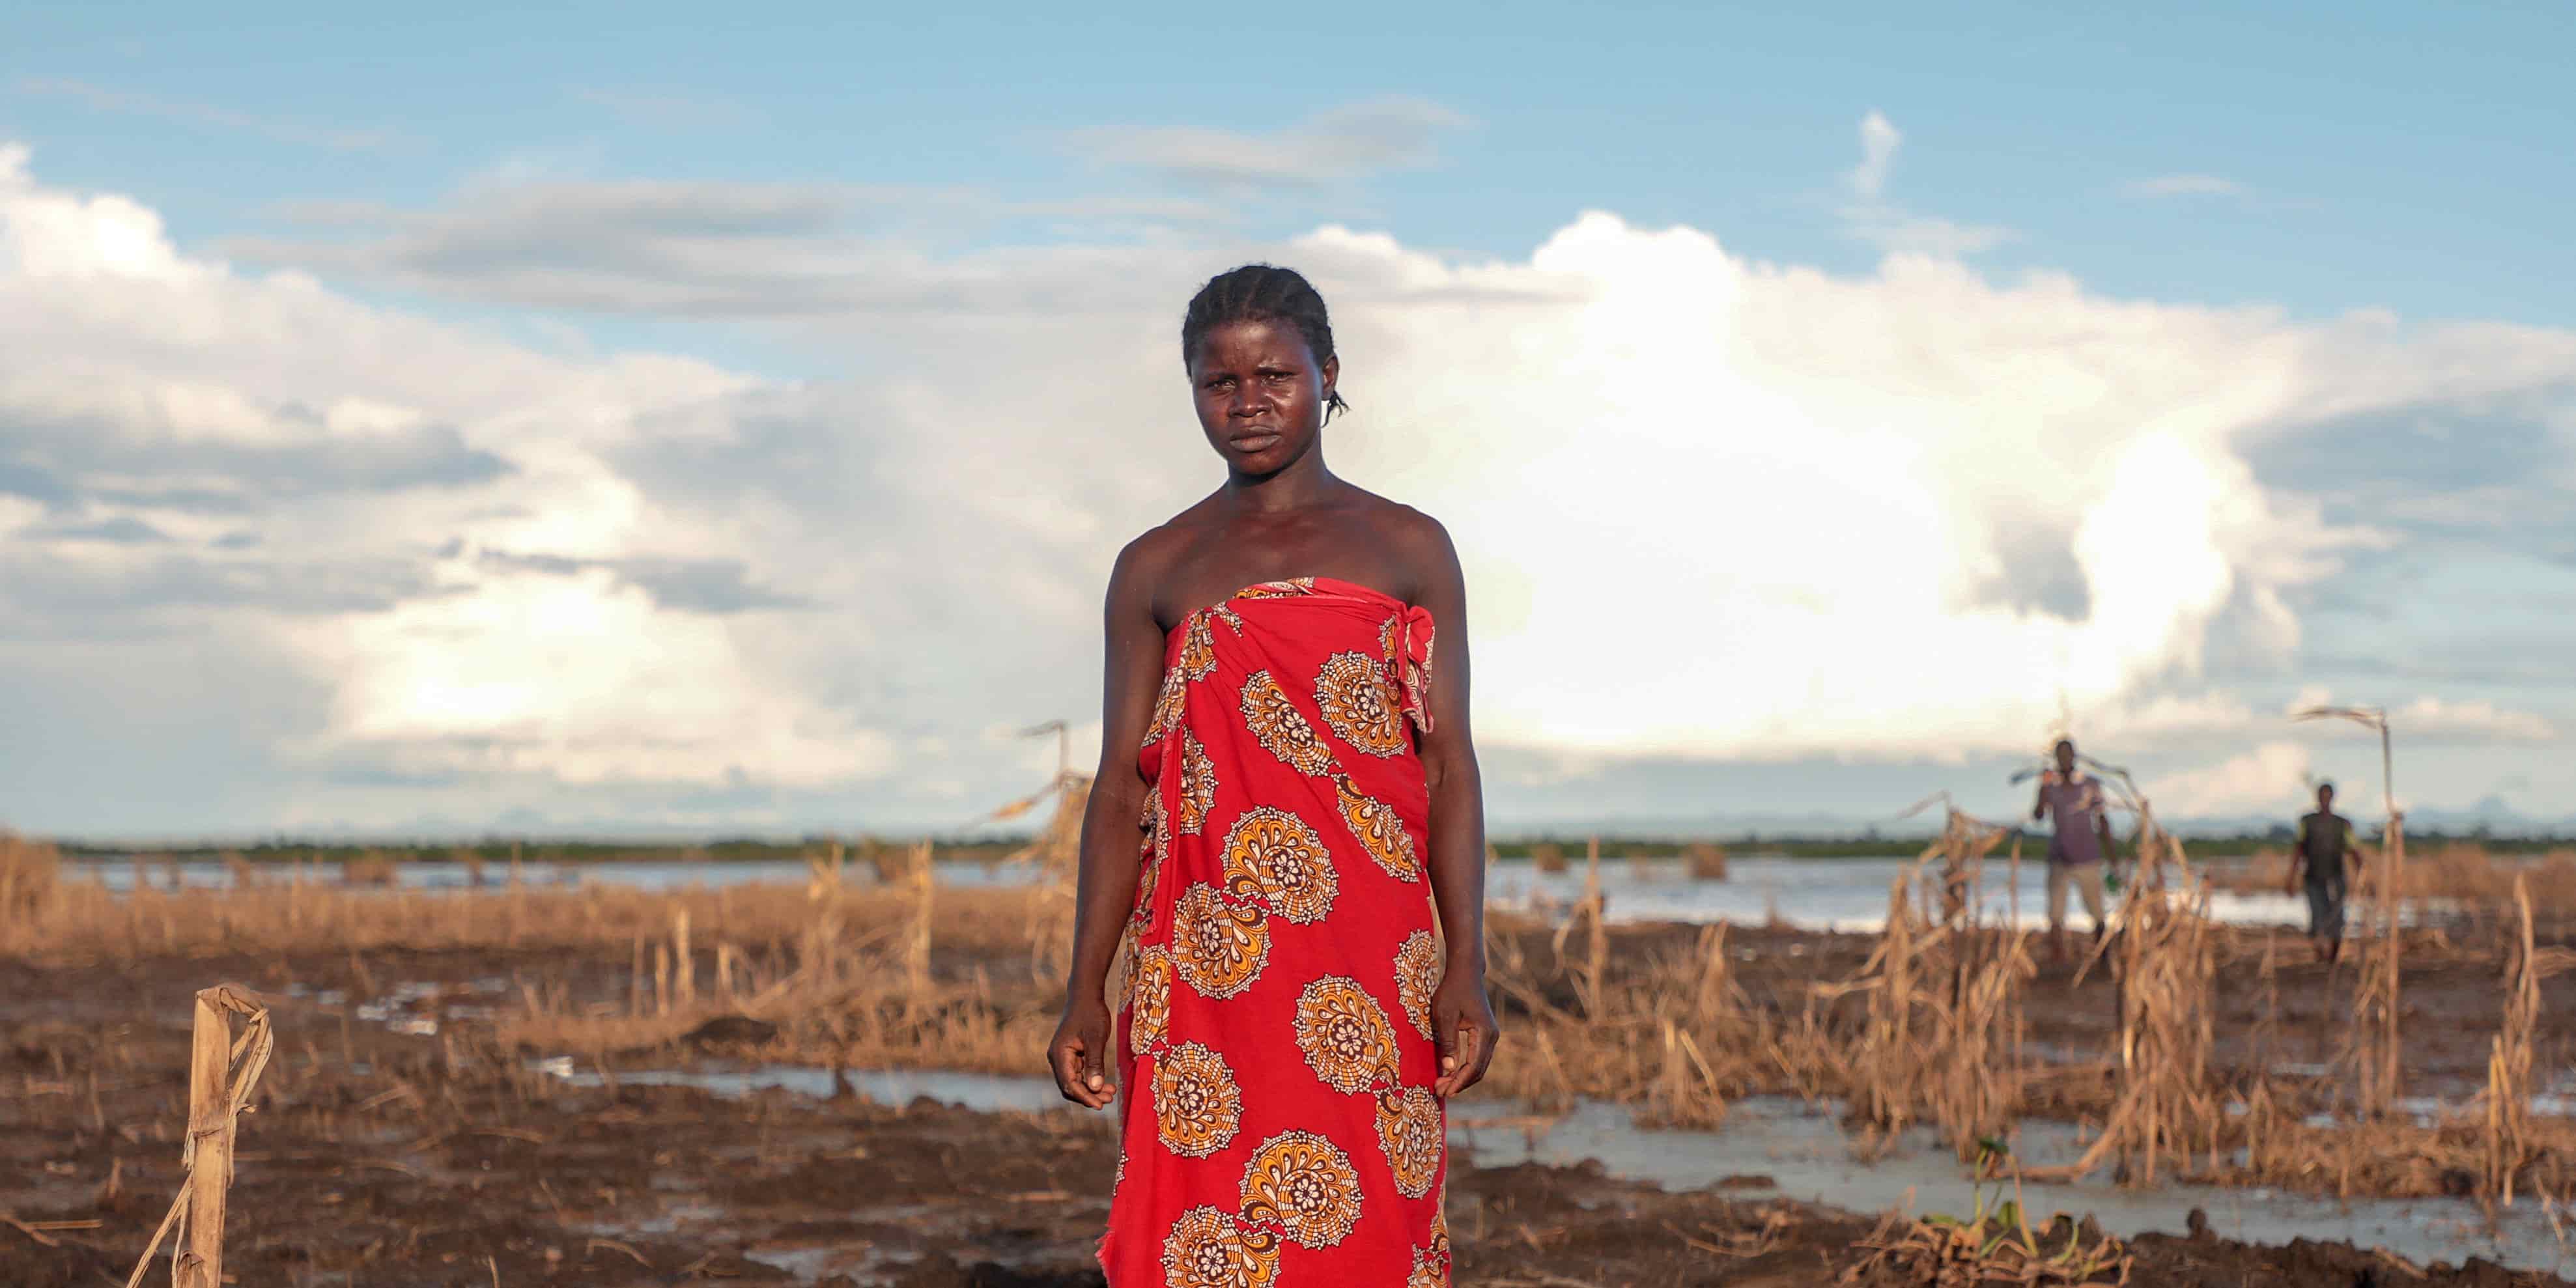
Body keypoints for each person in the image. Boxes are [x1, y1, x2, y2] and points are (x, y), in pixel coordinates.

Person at [1046, 264, 1497, 1287]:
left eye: (1273, 376)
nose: (1246, 402)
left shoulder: (1408, 547)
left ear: (1325, 374)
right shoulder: (1157, 565)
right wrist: (1086, 984)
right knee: (1203, 1222)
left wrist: (1464, 958)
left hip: (1375, 952)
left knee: (1374, 1221)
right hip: (1209, 958)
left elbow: (1447, 763)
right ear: (1192, 392)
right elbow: (1121, 786)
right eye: (1219, 382)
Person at [2030, 738, 2116, 962]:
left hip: (2088, 857)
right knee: (2055, 914)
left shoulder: (2090, 785)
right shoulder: (2050, 786)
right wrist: (2042, 790)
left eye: (2068, 754)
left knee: (2097, 910)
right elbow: (2038, 816)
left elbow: (2103, 819)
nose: (2064, 759)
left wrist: (2113, 856)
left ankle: (2103, 957)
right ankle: (2058, 960)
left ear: (2075, 757)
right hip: (2059, 858)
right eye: (2060, 755)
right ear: (2056, 758)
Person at [2287, 781, 2362, 963]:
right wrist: (2291, 878)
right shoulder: (2307, 822)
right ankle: (2320, 954)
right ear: (2318, 798)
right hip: (2313, 876)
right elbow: (2299, 849)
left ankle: (2333, 956)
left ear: (2332, 798)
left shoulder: (2342, 824)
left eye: (2328, 796)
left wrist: (2363, 874)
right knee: (2316, 916)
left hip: (2336, 876)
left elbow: (2353, 850)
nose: (2325, 800)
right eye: (2322, 796)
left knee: (2337, 915)